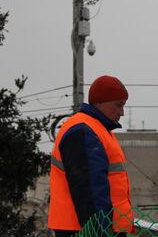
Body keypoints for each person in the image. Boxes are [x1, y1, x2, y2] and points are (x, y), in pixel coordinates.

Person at [48, 75, 134, 237]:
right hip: (86, 230)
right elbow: (90, 190)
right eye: (119, 105)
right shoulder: (83, 130)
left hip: (92, 228)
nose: (122, 112)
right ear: (101, 101)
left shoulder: (94, 129)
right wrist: (101, 231)